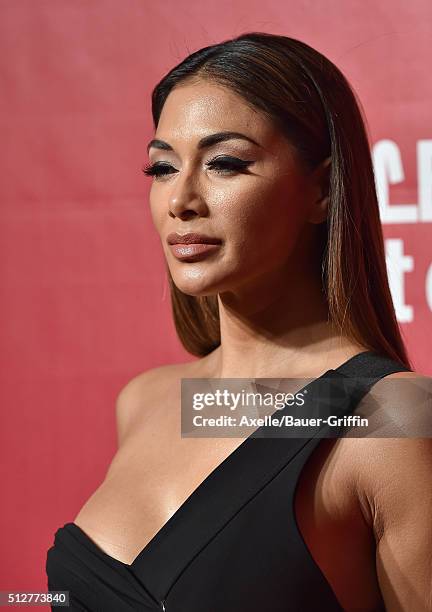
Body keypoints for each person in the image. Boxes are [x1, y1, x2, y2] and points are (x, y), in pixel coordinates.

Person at [46, 32, 431, 611]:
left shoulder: (391, 422)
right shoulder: (149, 402)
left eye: (225, 163)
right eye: (162, 167)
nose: (181, 199)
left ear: (323, 189)